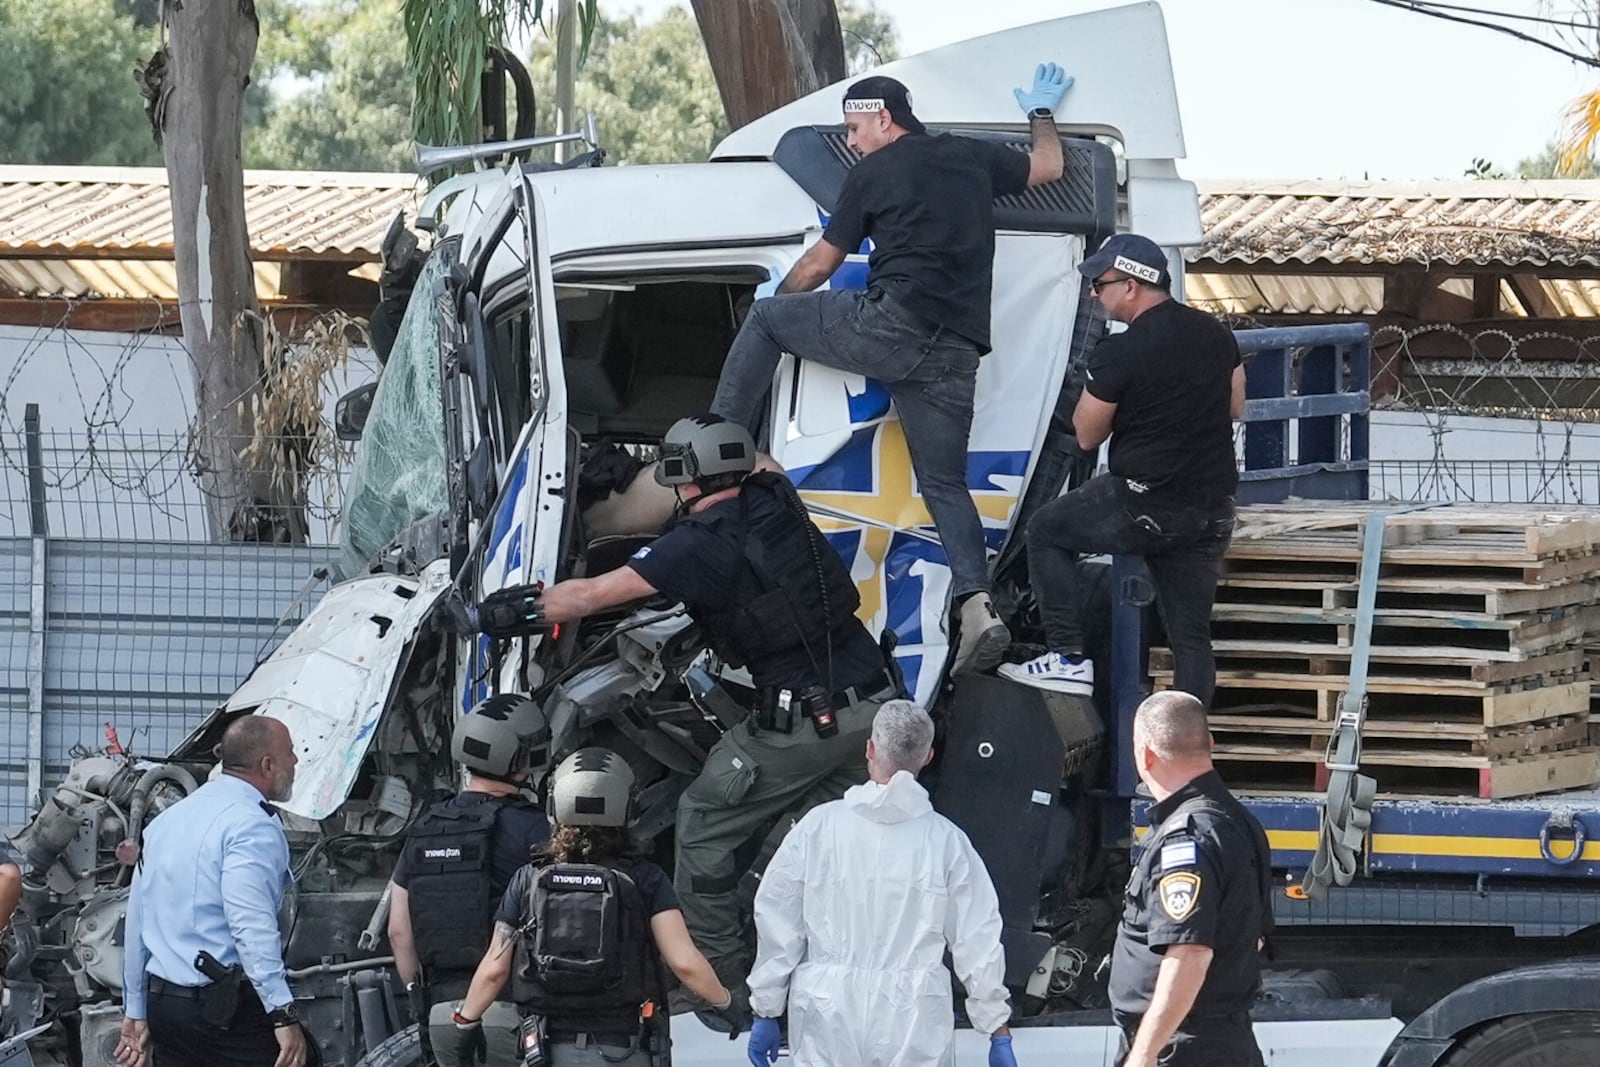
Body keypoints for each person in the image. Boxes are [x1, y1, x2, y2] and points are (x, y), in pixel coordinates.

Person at [459, 414, 899, 989]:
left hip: (804, 724)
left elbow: (591, 595)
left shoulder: (693, 547)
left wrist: (495, 614)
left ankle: (720, 986)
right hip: (879, 709)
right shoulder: (776, 495)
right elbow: (763, 462)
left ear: (684, 477)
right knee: (834, 838)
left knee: (703, 822)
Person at [709, 64, 1075, 677]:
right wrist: (1040, 114)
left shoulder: (872, 173)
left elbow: (821, 265)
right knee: (944, 484)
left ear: (883, 119)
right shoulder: (969, 158)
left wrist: (774, 297)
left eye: (855, 128)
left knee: (771, 318)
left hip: (892, 325)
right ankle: (977, 604)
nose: (851, 142)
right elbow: (1051, 168)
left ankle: (711, 442)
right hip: (955, 351)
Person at [1000, 234, 1244, 706]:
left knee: (1046, 530)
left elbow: (1088, 434)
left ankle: (1067, 657)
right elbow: (1236, 406)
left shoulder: (1120, 352)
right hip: (1211, 509)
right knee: (1190, 639)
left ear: (1131, 286)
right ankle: (1192, 749)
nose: (1095, 294)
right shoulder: (1216, 333)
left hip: (1145, 503)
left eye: (1101, 283)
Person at [745, 700, 1016, 1067]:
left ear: (870, 749)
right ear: (928, 757)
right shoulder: (946, 842)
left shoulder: (818, 827)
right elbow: (977, 939)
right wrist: (996, 1028)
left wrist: (766, 1009)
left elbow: (778, 918)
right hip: (914, 1017)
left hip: (828, 1012)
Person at [439, 748, 739, 1067]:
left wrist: (466, 1021)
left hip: (546, 1049)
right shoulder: (646, 879)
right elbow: (684, 962)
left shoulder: (528, 879)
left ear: (555, 806)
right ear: (629, 807)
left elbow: (494, 968)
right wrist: (726, 1003)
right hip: (624, 1048)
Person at [116, 716, 309, 1067]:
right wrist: (282, 1013)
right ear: (267, 765)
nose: (296, 762)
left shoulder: (166, 822)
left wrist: (136, 1008)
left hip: (166, 1008)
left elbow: (137, 923)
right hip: (220, 1009)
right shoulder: (251, 825)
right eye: (291, 754)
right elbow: (249, 923)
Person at [387, 695, 552, 1065]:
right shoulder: (534, 826)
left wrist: (419, 996)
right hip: (511, 1008)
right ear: (519, 760)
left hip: (440, 1013)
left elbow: (399, 931)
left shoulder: (424, 828)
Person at [1110, 692, 1272, 1067]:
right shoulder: (1237, 822)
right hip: (1218, 1041)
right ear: (1210, 743)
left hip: (1183, 1048)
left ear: (1146, 754)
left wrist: (1145, 1055)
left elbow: (1189, 954)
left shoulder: (1187, 838)